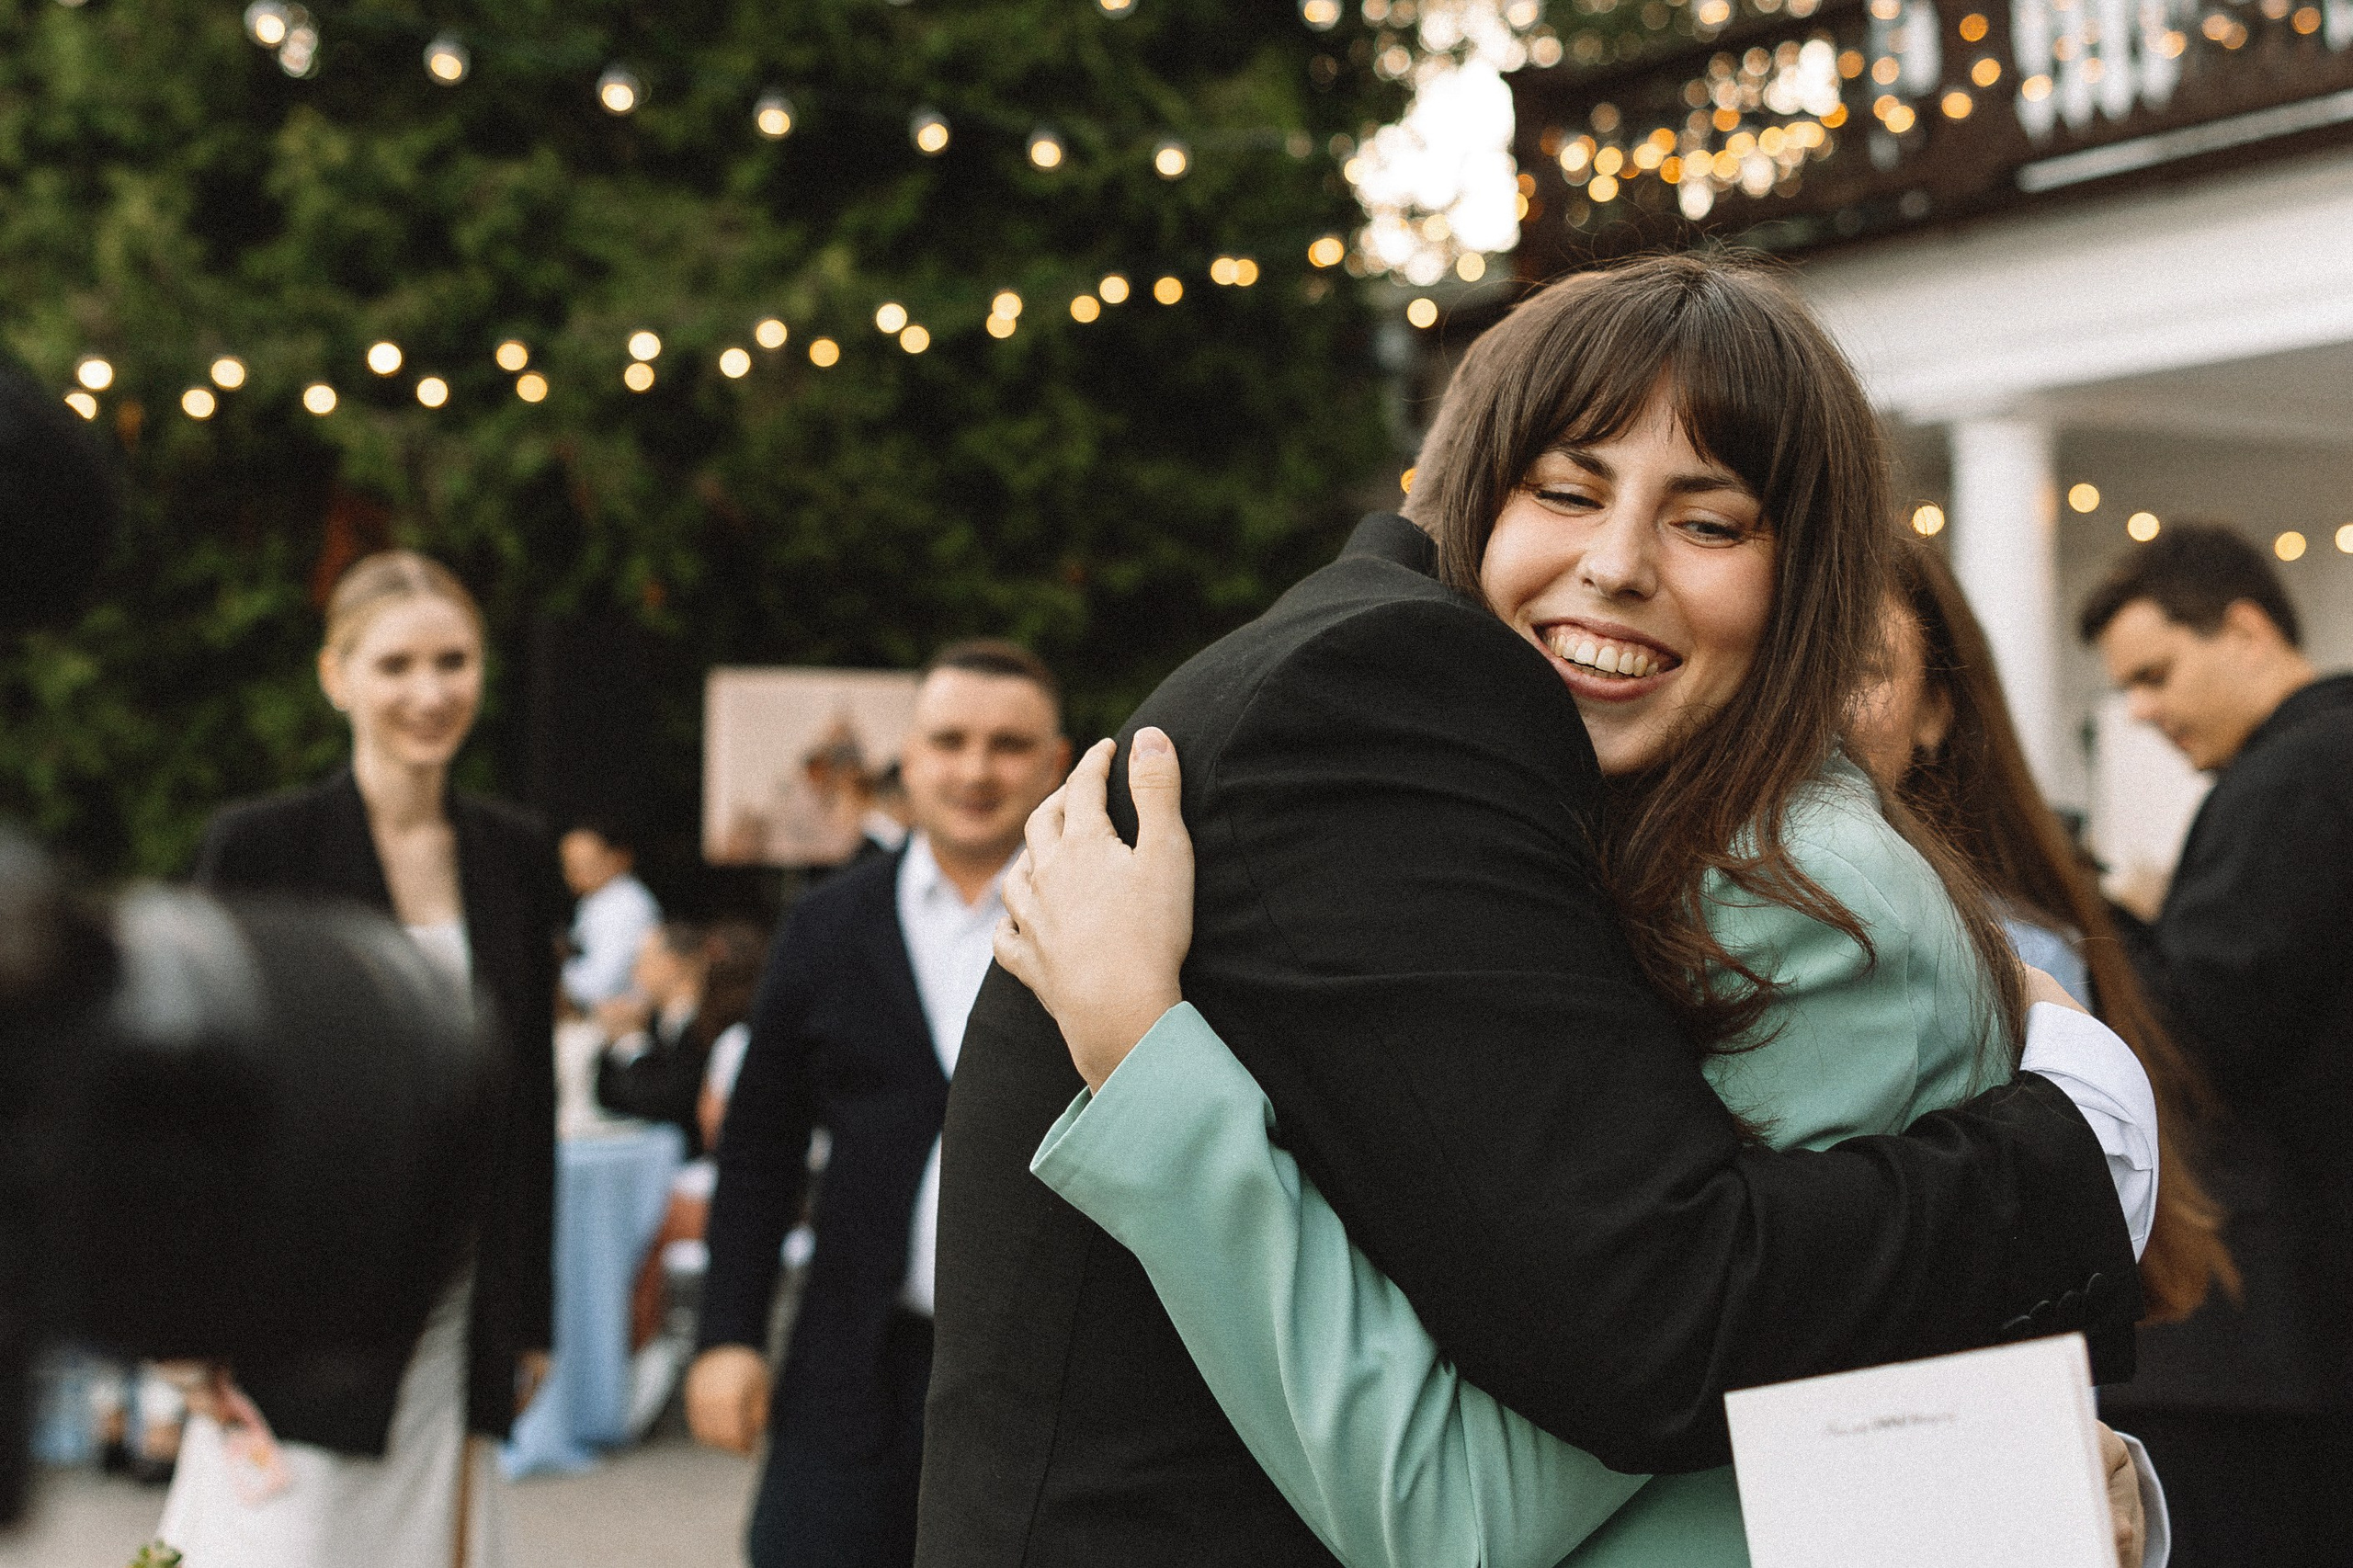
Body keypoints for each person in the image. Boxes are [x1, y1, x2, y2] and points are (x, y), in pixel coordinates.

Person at [917, 257, 2158, 1568]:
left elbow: (1516, 1456)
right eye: (1567, 491)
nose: (1616, 564)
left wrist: (2081, 1135)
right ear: (1475, 501)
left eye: (1711, 520)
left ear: (1810, 581)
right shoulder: (1437, 724)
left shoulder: (1807, 890)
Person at [162, 551, 561, 1568]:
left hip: (461, 1305)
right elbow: (194, 1092)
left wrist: (530, 1310)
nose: (429, 693)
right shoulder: (260, 848)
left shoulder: (514, 853)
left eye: (454, 660)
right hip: (295, 1305)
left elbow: (529, 1104)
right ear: (336, 675)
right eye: (395, 665)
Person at [688, 641, 1071, 1568]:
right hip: (854, 1360)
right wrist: (728, 1334)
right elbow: (759, 1144)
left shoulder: (1105, 915)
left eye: (1007, 744)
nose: (976, 769)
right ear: (909, 754)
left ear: (1057, 760)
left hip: (1052, 1375)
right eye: (949, 740)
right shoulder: (827, 926)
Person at [1850, 540, 2234, 1329]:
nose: (1801, 708)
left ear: (1936, 711)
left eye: (1857, 669)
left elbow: (2032, 1270)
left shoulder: (2011, 954)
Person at [2078, 522, 2353, 1567]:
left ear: (2244, 626)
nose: (2140, 709)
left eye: (2156, 673)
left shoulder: (2296, 774)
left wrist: (2104, 928)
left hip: (2286, 1320)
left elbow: (2196, 1032)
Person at [595, 921, 719, 1156]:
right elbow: (610, 1098)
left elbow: (668, 1102)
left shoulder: (705, 1027)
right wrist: (617, 1041)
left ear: (671, 965)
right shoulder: (654, 1025)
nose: (635, 972)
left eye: (643, 961)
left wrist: (628, 1042)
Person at [560, 816, 660, 1013]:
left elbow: (602, 983)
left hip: (622, 1016)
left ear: (617, 858)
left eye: (585, 863)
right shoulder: (595, 900)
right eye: (568, 864)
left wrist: (560, 977)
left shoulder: (625, 903)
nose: (574, 873)